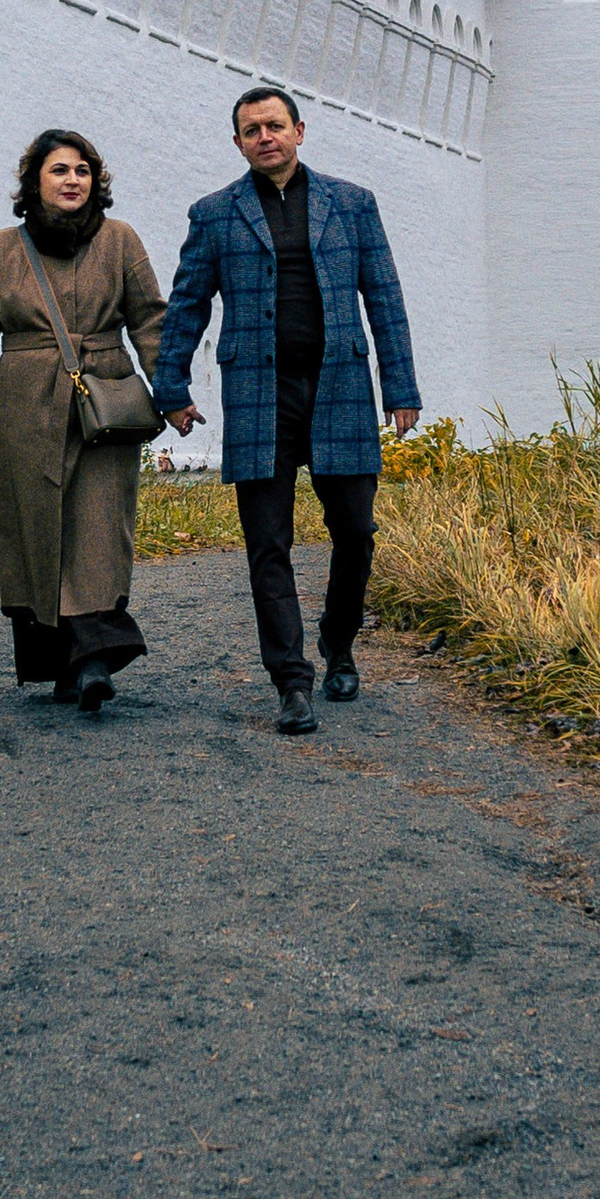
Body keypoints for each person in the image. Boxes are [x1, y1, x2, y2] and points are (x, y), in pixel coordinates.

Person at [150, 86, 420, 737]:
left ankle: (339, 642)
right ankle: (291, 681)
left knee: (355, 530)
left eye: (275, 125)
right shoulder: (215, 214)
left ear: (299, 130)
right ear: (238, 142)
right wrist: (172, 389)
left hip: (342, 387)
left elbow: (383, 293)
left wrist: (401, 386)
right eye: (251, 129)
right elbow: (187, 304)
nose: (265, 136)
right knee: (267, 543)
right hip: (258, 393)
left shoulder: (352, 204)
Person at [0, 129, 166, 720]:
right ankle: (67, 665)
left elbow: (152, 322)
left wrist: (176, 395)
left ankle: (91, 660)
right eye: (59, 169)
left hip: (104, 404)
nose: (72, 179)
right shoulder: (2, 249)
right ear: (35, 181)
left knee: (98, 527)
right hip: (26, 405)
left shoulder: (120, 241)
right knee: (37, 527)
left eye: (83, 170)